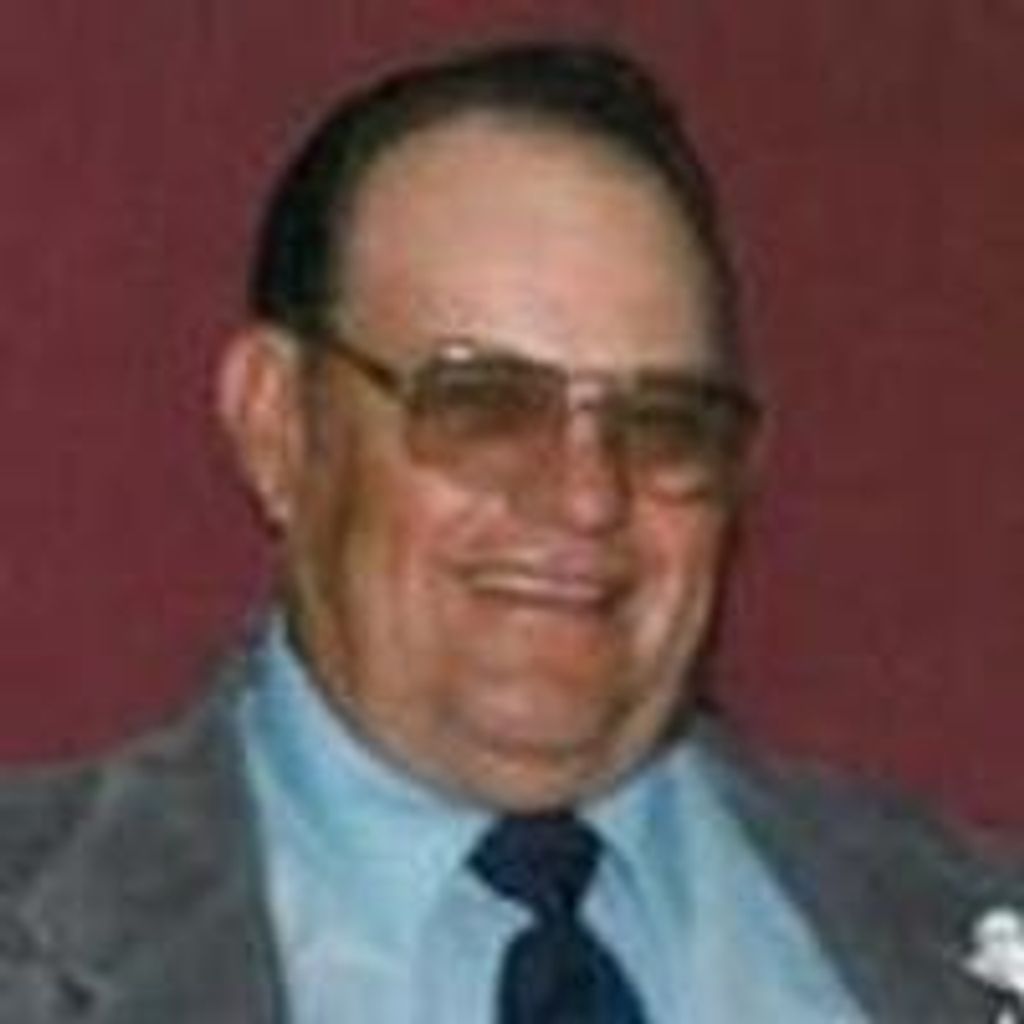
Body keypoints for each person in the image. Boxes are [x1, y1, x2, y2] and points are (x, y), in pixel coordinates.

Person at [1, 40, 1021, 1024]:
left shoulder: (962, 927)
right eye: (482, 406)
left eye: (662, 424)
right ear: (279, 427)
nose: (587, 497)